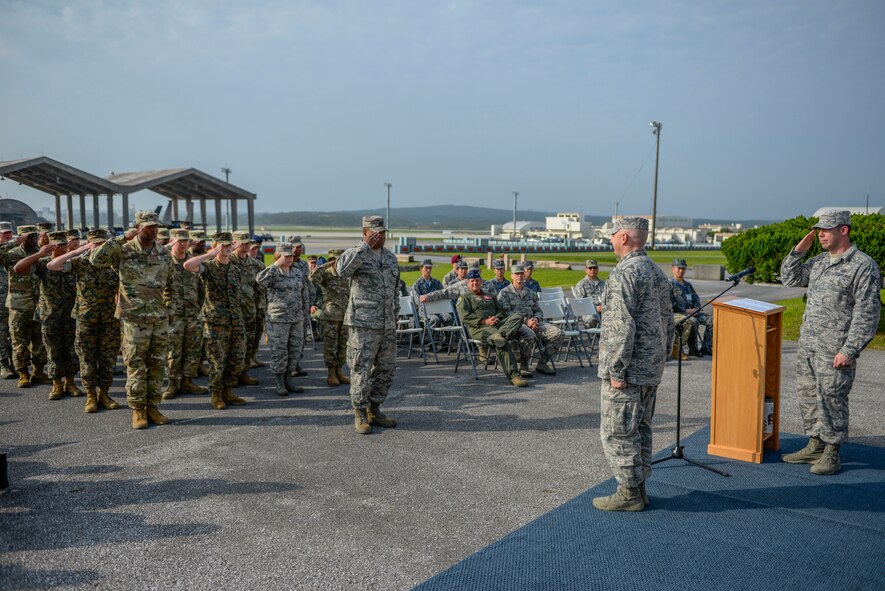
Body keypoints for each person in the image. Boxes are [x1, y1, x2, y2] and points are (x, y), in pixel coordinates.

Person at [779, 210, 881, 475]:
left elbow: (867, 311)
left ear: (844, 230)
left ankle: (832, 452)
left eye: (826, 229)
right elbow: (789, 278)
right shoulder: (820, 261)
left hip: (835, 348)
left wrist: (850, 349)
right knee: (809, 396)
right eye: (818, 229)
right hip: (809, 345)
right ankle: (815, 443)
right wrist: (798, 251)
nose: (820, 234)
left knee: (832, 399)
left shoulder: (862, 265)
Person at [593, 217, 673, 512]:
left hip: (628, 370)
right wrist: (661, 358)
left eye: (613, 235)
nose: (610, 240)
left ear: (624, 237)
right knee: (640, 428)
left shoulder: (624, 273)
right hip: (650, 368)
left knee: (618, 432)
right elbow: (668, 321)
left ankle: (628, 492)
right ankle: (639, 488)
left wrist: (616, 369)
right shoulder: (655, 271)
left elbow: (620, 328)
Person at [89, 211, 174, 429]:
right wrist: (121, 238)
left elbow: (171, 284)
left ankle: (153, 407)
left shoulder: (164, 253)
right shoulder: (123, 250)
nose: (153, 230)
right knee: (135, 363)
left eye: (155, 226)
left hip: (158, 318)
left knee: (157, 365)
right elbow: (96, 260)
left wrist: (169, 309)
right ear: (138, 227)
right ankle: (137, 410)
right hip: (133, 318)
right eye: (148, 226)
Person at [334, 216, 400, 434]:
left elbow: (394, 290)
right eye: (375, 233)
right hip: (363, 324)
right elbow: (341, 270)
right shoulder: (356, 254)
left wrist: (395, 315)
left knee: (386, 369)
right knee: (361, 369)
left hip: (387, 323)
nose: (380, 236)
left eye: (382, 233)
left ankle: (375, 408)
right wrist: (364, 247)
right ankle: (360, 411)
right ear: (365, 233)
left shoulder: (390, 258)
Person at [47, 229, 122, 413]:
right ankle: (90, 396)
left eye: (102, 244)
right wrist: (76, 251)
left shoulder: (114, 263)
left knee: (108, 359)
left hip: (109, 319)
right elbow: (52, 265)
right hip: (86, 318)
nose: (98, 247)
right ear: (89, 244)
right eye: (95, 244)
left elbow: (120, 291)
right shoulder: (80, 263)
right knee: (87, 359)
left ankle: (104, 394)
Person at [183, 232, 249, 410]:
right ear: (216, 246)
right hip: (215, 322)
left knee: (237, 359)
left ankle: (228, 390)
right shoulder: (209, 267)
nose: (227, 248)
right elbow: (188, 265)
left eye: (229, 245)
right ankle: (216, 394)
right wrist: (210, 254)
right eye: (223, 245)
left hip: (235, 320)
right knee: (217, 361)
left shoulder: (235, 269)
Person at [14, 232, 81, 400]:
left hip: (70, 314)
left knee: (71, 350)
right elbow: (19, 269)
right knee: (53, 351)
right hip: (49, 315)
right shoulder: (43, 264)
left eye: (63, 245)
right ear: (50, 245)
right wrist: (40, 253)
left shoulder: (73, 264)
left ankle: (71, 383)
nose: (60, 248)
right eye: (56, 245)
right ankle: (57, 384)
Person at [457, 269, 528, 387]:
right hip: (479, 328)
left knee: (518, 317)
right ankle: (514, 376)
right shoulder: (465, 298)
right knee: (501, 341)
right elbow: (465, 317)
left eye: (477, 280)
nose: (475, 283)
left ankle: (500, 334)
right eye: (472, 281)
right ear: (468, 283)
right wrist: (485, 321)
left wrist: (497, 318)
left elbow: (500, 310)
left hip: (497, 325)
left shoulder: (490, 296)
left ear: (481, 282)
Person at [256, 242, 309, 395]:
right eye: (286, 256)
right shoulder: (272, 272)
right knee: (280, 352)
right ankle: (280, 382)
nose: (289, 259)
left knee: (294, 350)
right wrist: (274, 265)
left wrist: (305, 313)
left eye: (291, 256)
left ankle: (289, 379)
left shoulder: (297, 272)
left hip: (296, 318)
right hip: (278, 319)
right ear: (278, 256)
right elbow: (259, 281)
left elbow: (303, 292)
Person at [0, 225, 50, 387]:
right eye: (29, 236)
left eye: (35, 235)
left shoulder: (41, 252)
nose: (33, 239)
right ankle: (23, 373)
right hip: (19, 305)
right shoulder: (13, 254)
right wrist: (15, 242)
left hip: (39, 304)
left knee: (39, 341)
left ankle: (38, 371)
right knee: (19, 342)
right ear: (22, 238)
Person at [161, 229, 207, 399]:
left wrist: (200, 307)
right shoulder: (165, 260)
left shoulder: (192, 261)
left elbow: (201, 287)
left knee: (193, 349)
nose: (183, 243)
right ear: (173, 241)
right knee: (173, 350)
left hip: (193, 312)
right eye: (179, 240)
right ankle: (173, 384)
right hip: (173, 314)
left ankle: (188, 381)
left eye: (185, 240)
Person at [497, 264, 564, 377]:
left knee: (559, 334)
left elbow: (538, 310)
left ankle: (542, 363)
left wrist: (536, 319)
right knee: (530, 335)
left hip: (534, 323)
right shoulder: (504, 293)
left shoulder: (531, 293)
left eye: (521, 273)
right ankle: (524, 366)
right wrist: (525, 321)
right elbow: (506, 314)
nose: (520, 276)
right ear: (512, 276)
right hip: (516, 325)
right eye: (517, 274)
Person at [309, 249, 352, 387]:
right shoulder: (326, 274)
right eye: (335, 260)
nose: (338, 262)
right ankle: (331, 373)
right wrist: (325, 265)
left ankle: (339, 371)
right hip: (330, 316)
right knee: (330, 346)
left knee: (342, 345)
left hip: (345, 315)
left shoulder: (346, 274)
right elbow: (312, 279)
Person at [230, 231, 260, 386]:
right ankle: (231, 375)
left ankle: (244, 372)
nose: (247, 245)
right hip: (230, 312)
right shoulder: (226, 261)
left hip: (249, 310)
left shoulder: (256, 264)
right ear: (234, 243)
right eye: (243, 242)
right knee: (232, 345)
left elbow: (261, 288)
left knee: (248, 343)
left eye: (248, 242)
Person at [669, 259, 714, 357]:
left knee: (712, 320)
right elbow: (669, 303)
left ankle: (706, 348)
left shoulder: (688, 285)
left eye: (683, 268)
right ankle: (693, 349)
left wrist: (697, 308)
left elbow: (695, 297)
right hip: (679, 314)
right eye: (679, 268)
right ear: (673, 269)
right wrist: (686, 311)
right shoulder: (670, 285)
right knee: (693, 321)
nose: (681, 271)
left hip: (694, 312)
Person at [248, 241, 268, 369]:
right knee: (249, 332)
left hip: (259, 303)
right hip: (248, 304)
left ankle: (253, 354)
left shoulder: (260, 265)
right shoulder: (240, 265)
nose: (255, 251)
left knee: (258, 331)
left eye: (256, 249)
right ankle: (247, 357)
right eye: (252, 249)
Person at [0, 222, 16, 379]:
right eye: (4, 234)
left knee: (14, 333)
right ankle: (4, 364)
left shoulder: (13, 253)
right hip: (0, 300)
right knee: (2, 332)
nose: (8, 236)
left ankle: (14, 363)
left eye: (9, 233)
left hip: (15, 299)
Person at [573, 260, 605, 327]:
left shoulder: (603, 284)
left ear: (598, 269)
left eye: (594, 268)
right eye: (590, 268)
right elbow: (580, 303)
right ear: (586, 270)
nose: (592, 270)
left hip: (604, 310)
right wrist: (596, 308)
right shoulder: (581, 284)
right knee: (593, 318)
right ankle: (599, 335)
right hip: (589, 312)